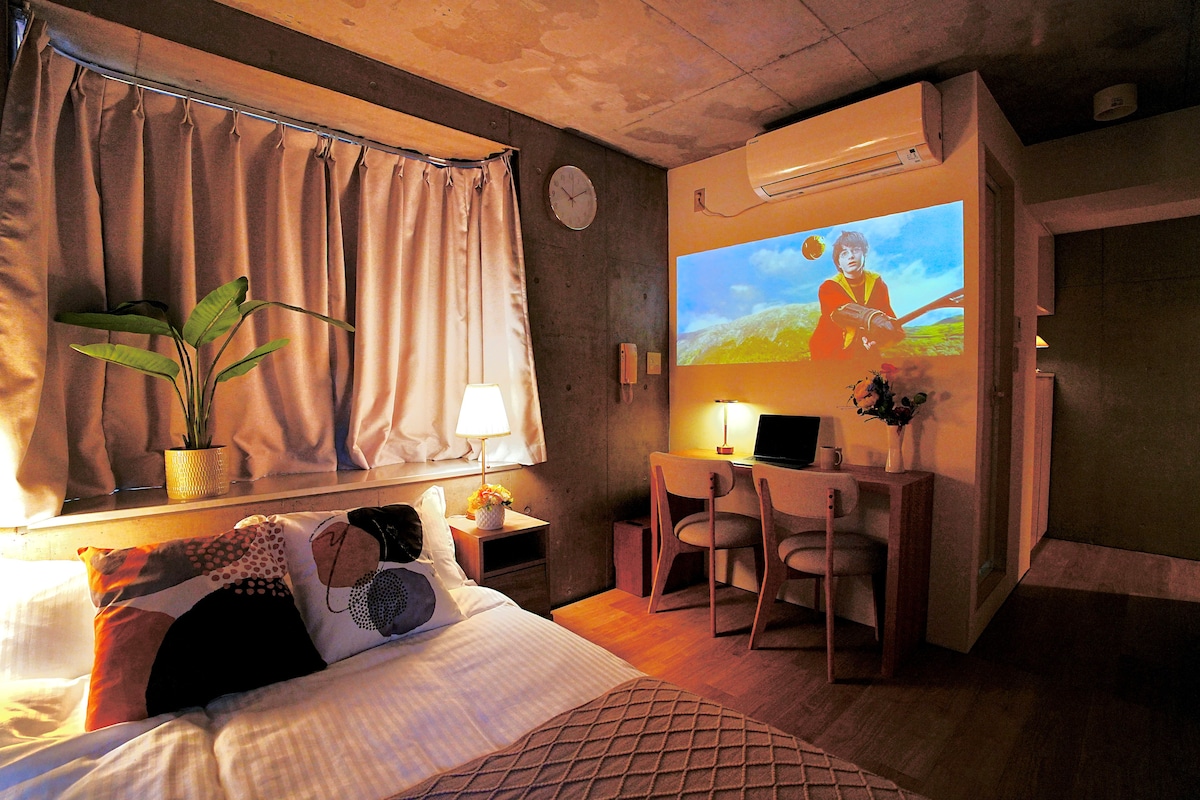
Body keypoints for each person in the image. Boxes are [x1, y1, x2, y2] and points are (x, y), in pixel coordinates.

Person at [809, 231, 905, 359]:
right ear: (838, 263)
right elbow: (841, 311)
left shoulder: (877, 283)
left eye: (855, 250)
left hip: (864, 351)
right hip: (830, 352)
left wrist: (882, 336)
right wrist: (873, 318)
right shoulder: (829, 287)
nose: (851, 256)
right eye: (844, 253)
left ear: (864, 254)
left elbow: (888, 318)